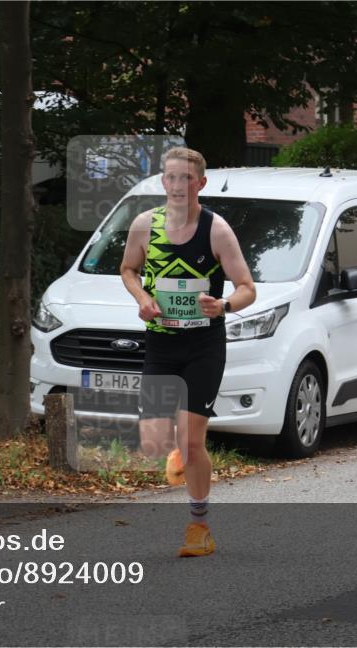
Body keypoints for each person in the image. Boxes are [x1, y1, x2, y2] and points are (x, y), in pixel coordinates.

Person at [119, 147, 256, 557]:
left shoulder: (216, 230)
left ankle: (199, 527)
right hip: (161, 343)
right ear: (163, 182)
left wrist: (225, 305)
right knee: (153, 442)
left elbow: (247, 286)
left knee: (193, 441)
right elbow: (128, 270)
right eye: (170, 177)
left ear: (200, 183)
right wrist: (142, 297)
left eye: (185, 178)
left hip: (203, 346)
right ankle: (178, 447)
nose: (177, 185)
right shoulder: (145, 226)